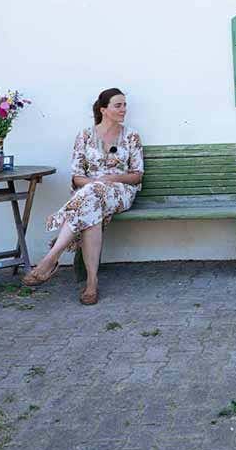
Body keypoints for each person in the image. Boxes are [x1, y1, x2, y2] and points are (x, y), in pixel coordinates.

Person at [22, 87, 144, 304]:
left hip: (121, 191)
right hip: (90, 194)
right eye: (118, 105)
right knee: (91, 209)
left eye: (125, 105)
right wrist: (96, 183)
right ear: (104, 109)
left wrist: (112, 180)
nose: (124, 109)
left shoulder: (132, 136)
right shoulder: (85, 135)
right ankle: (91, 284)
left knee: (90, 197)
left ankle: (51, 258)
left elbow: (136, 176)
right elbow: (77, 177)